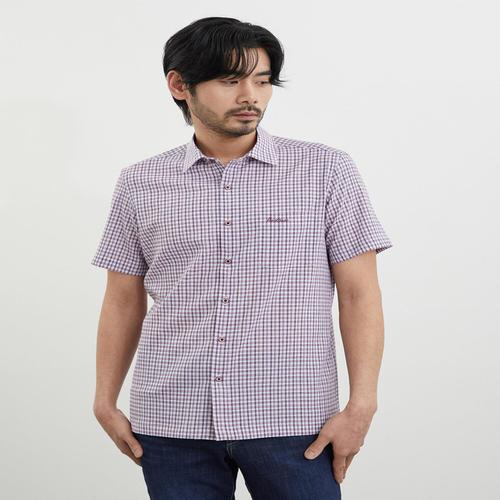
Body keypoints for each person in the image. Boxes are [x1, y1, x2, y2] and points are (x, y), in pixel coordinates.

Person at [91, 16, 393, 500]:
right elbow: (123, 299)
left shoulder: (324, 170)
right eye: (230, 81)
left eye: (263, 80)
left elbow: (359, 294)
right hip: (173, 420)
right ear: (179, 85)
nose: (250, 96)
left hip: (294, 421)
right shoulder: (139, 183)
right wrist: (105, 401)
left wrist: (362, 406)